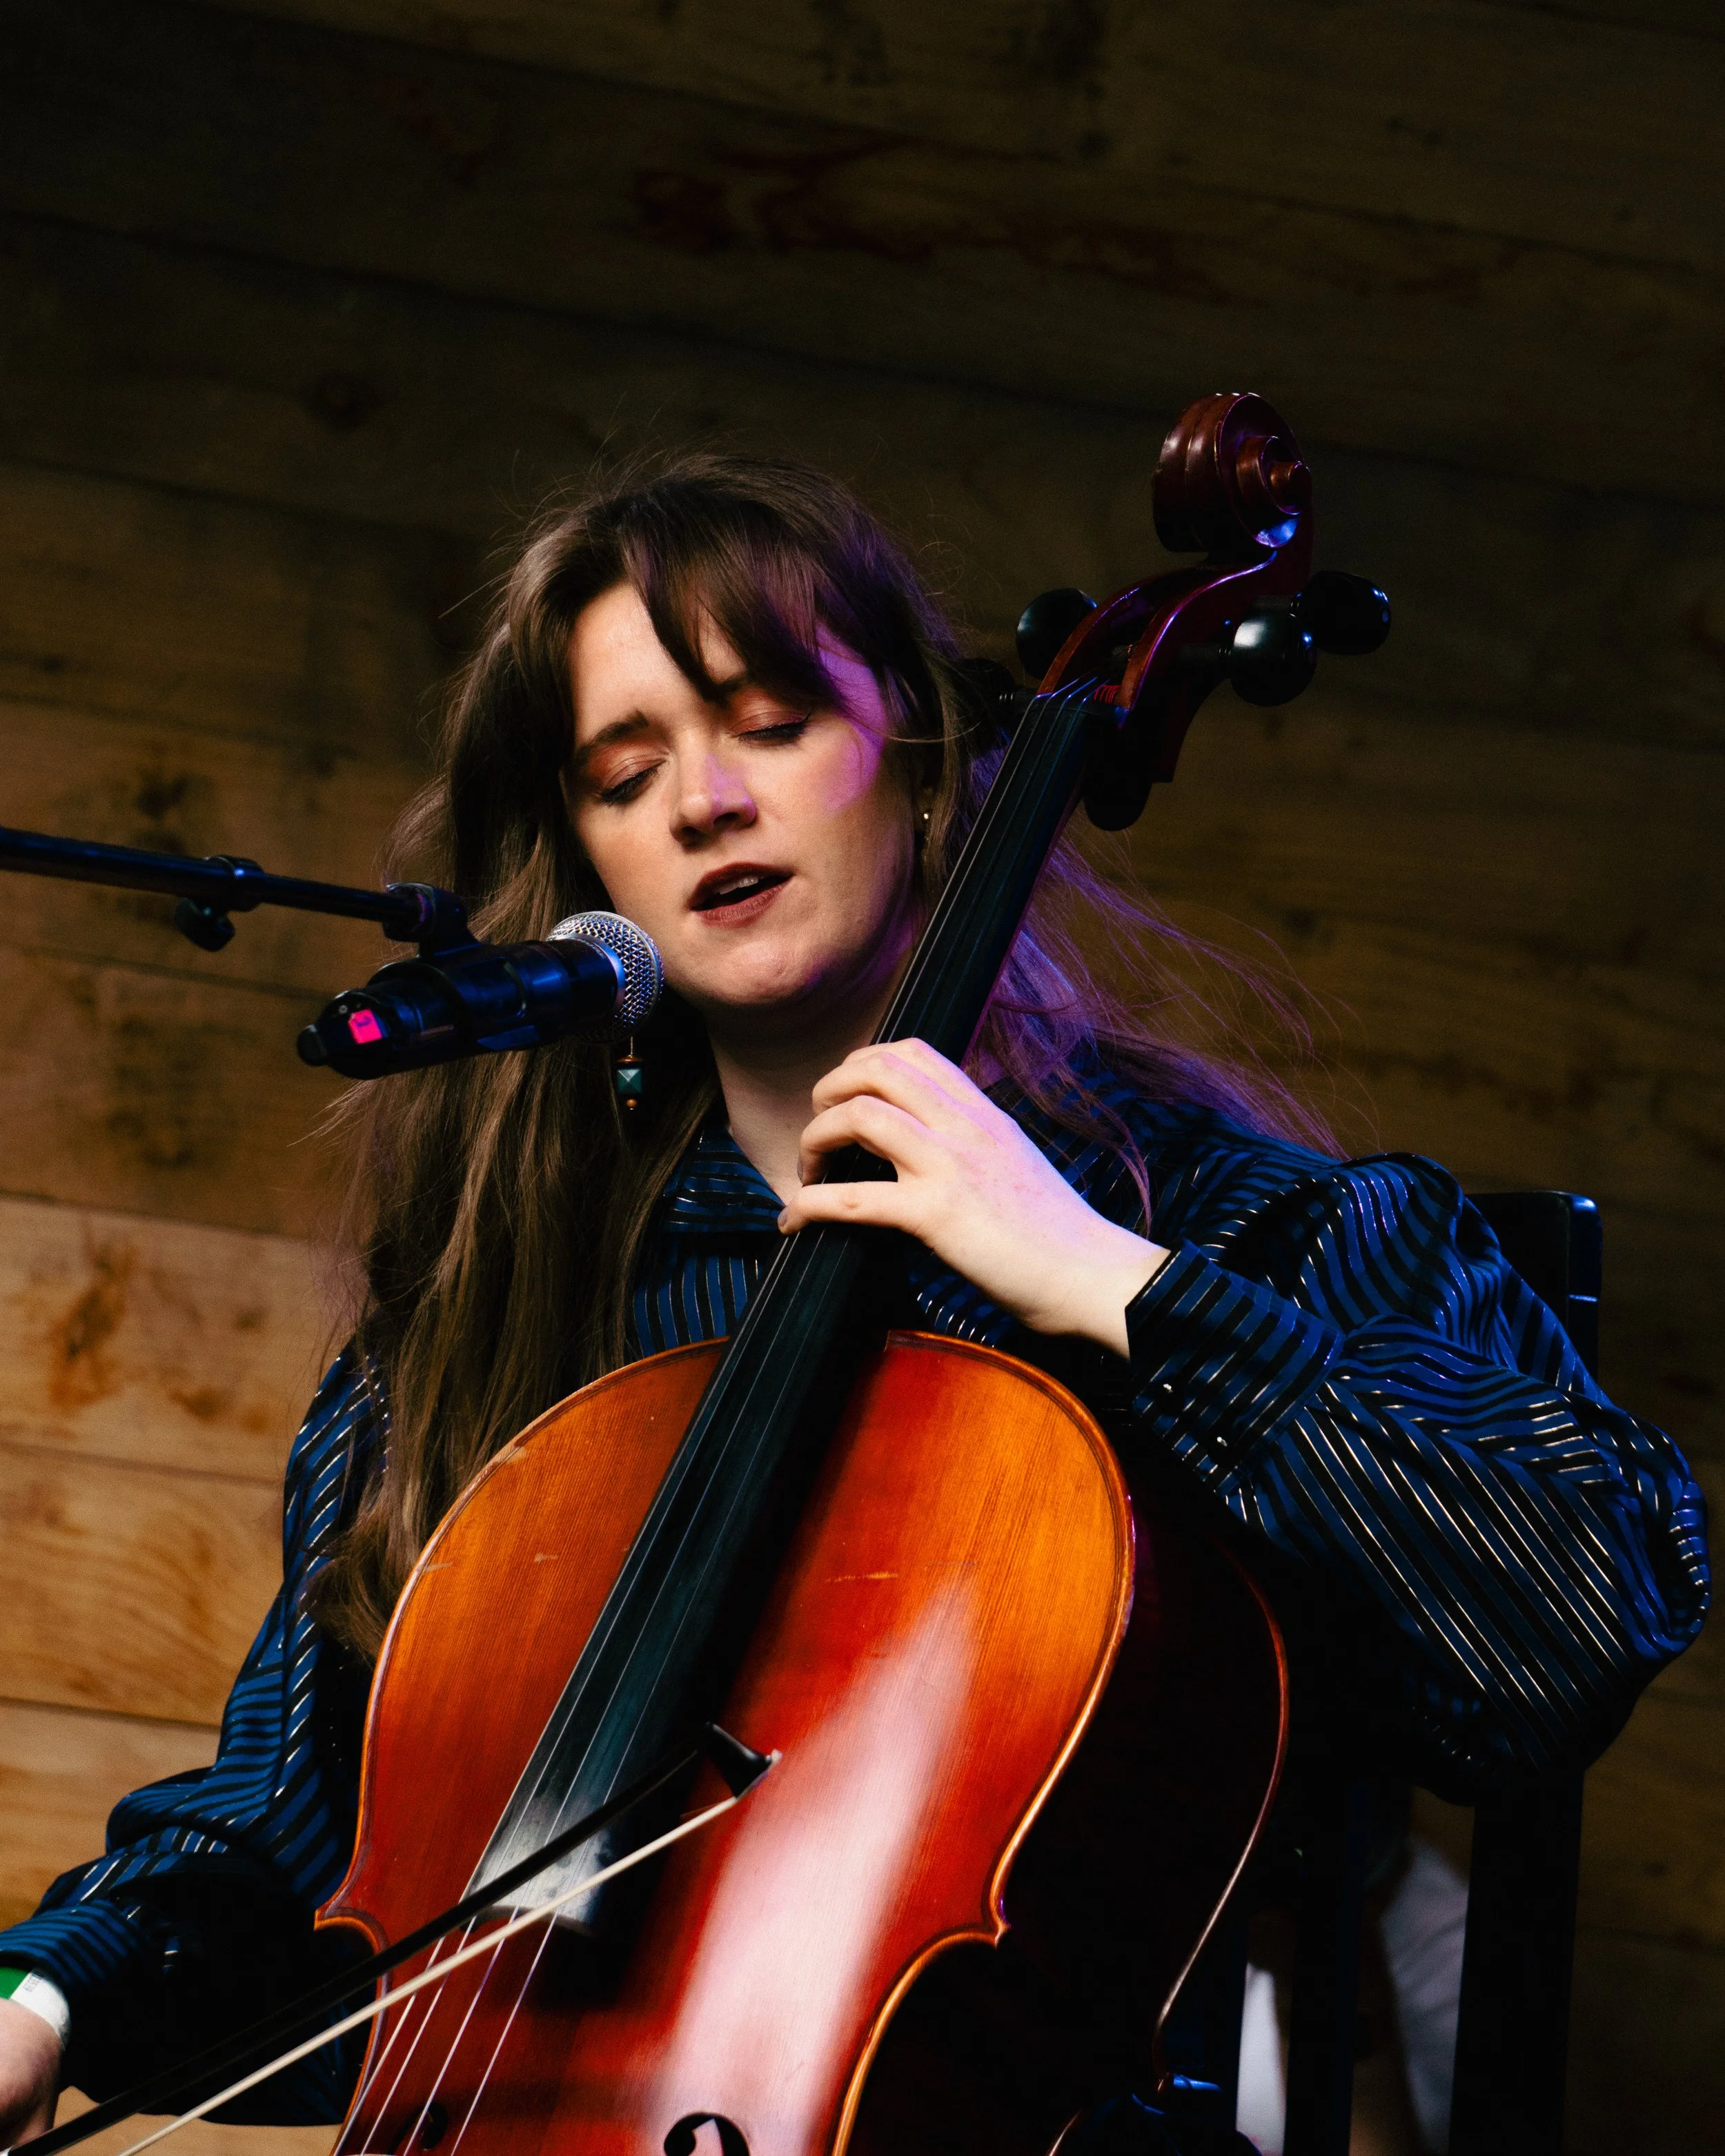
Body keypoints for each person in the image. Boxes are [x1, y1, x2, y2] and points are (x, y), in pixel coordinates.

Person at [0, 456, 1706, 2145]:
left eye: (766, 720)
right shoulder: (497, 1322)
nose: (701, 804)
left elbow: (1574, 1602)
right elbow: (292, 1841)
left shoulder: (1228, 1226)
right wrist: (42, 2003)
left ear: (917, 753)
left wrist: (1108, 1281)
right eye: (622, 769)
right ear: (582, 858)